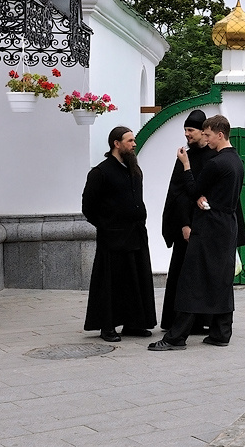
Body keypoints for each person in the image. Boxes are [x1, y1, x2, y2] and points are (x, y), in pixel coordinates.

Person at [150, 115, 244, 351]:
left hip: (209, 227)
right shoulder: (236, 160)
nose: (206, 138)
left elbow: (192, 190)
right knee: (222, 280)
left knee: (191, 281)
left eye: (208, 134)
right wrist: (206, 198)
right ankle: (221, 333)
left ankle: (176, 338)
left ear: (220, 135)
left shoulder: (216, 163)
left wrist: (186, 165)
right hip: (227, 225)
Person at [82, 126, 157, 343]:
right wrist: (106, 226)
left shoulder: (134, 169)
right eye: (130, 141)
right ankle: (108, 326)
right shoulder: (100, 173)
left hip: (136, 234)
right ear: (117, 143)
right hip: (113, 237)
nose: (134, 144)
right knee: (112, 283)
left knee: (135, 280)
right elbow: (88, 207)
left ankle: (134, 323)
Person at [159, 110, 216, 332]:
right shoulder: (185, 157)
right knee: (182, 273)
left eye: (190, 130)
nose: (186, 134)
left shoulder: (214, 156)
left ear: (203, 131)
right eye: (185, 130)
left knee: (204, 274)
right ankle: (177, 320)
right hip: (187, 228)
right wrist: (184, 223)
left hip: (207, 225)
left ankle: (204, 320)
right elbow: (177, 194)